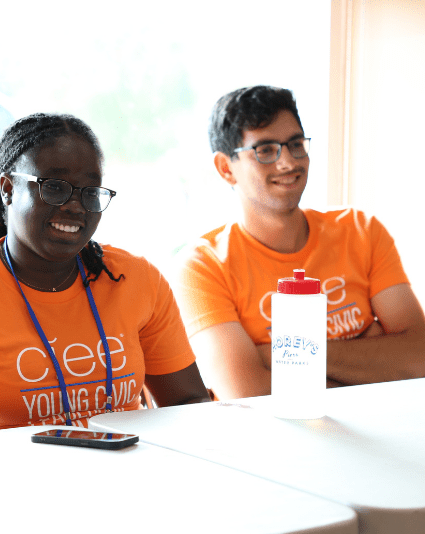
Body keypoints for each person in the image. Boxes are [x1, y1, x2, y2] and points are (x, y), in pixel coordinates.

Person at [0, 113, 209, 431]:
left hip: (128, 469)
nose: (75, 205)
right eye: (55, 187)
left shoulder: (137, 279)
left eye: (90, 191)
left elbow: (188, 405)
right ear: (7, 188)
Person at [173, 85, 425, 400]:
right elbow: (247, 391)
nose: (288, 163)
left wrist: (276, 357)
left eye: (295, 144)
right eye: (265, 150)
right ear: (226, 168)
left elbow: (418, 359)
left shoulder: (361, 231)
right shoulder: (203, 266)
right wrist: (372, 350)